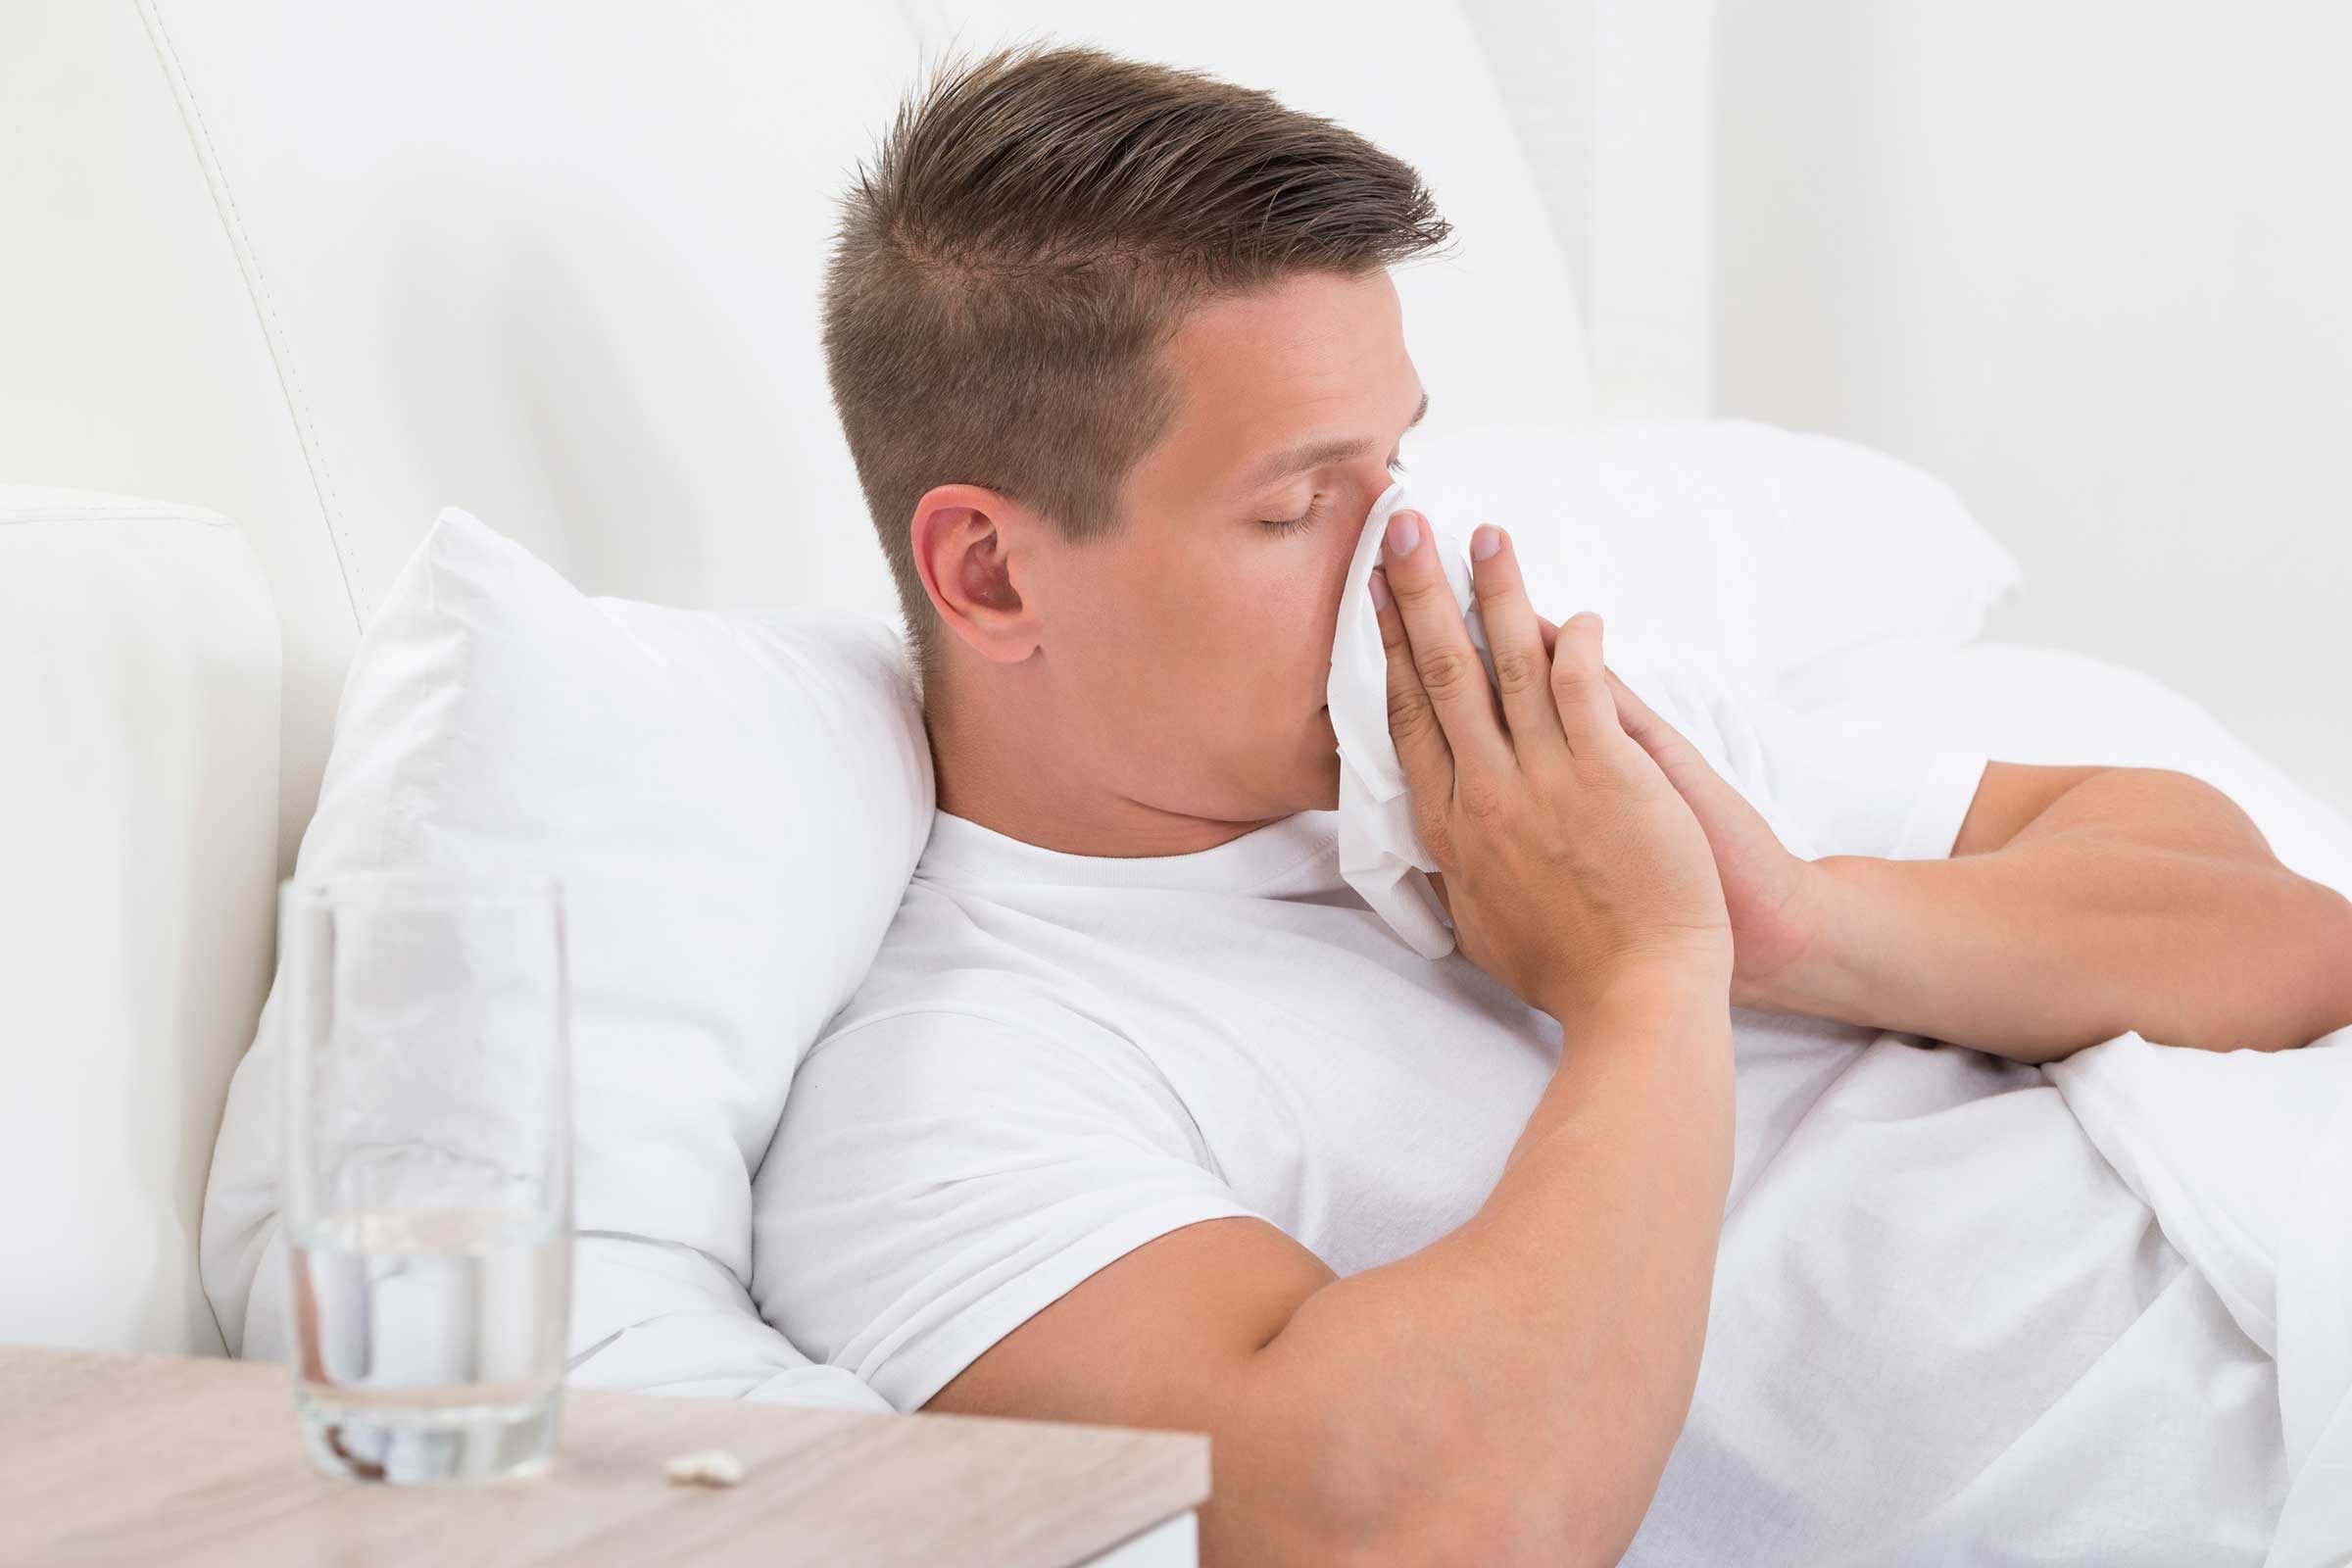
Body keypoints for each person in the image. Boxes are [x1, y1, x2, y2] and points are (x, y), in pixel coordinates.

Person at [757, 42, 2352, 1566]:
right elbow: (1405, 1532)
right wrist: (1644, 982)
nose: (1409, 555)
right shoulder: (965, 1094)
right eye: (1300, 503)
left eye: (1401, 463)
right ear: (989, 571)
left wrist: (1796, 921)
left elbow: (2289, 941)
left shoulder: (1532, 744)